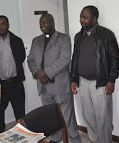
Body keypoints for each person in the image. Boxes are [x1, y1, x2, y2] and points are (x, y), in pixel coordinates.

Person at [27, 13, 81, 143]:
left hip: (60, 85)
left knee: (67, 117)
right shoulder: (36, 40)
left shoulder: (63, 38)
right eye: (41, 23)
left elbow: (65, 59)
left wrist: (45, 72)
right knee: (51, 117)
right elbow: (30, 60)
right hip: (44, 86)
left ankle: (74, 140)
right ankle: (56, 138)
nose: (43, 25)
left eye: (45, 22)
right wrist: (37, 72)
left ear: (52, 22)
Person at [70, 5, 119, 143]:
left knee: (103, 118)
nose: (82, 20)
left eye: (85, 17)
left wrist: (111, 80)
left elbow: (115, 58)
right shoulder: (78, 36)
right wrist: (73, 78)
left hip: (100, 83)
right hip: (83, 81)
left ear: (94, 19)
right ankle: (95, 140)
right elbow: (75, 58)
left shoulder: (106, 34)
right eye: (81, 17)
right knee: (88, 116)